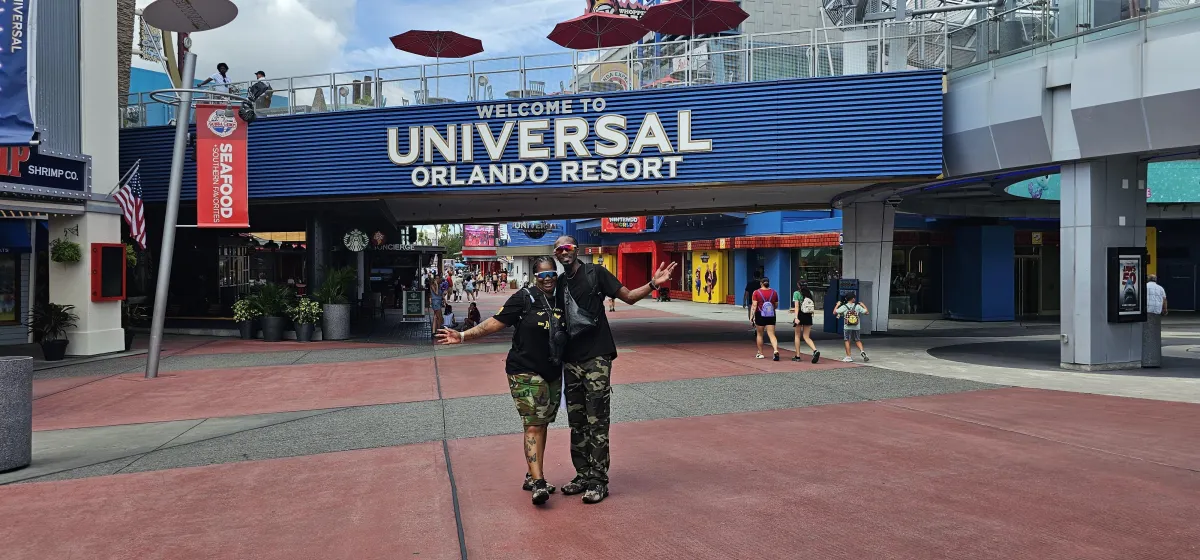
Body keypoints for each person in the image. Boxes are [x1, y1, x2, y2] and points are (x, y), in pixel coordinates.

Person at [553, 235, 676, 504]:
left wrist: (654, 283)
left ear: (577, 250)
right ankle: (582, 474)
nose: (565, 252)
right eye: (560, 249)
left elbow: (629, 297)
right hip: (570, 361)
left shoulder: (595, 273)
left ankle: (598, 480)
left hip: (596, 357)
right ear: (555, 254)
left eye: (569, 248)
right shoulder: (560, 283)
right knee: (576, 421)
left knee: (597, 419)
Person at [436, 257, 566, 506]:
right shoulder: (524, 298)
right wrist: (462, 336)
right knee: (533, 424)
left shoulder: (562, 298)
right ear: (535, 277)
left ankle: (532, 474)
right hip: (524, 370)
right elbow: (494, 324)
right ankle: (538, 483)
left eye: (552, 274)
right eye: (542, 275)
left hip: (552, 370)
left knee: (543, 423)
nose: (548, 279)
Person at [750, 278, 781, 361]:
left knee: (760, 334)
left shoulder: (756, 292)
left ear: (761, 283)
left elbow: (754, 306)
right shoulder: (774, 292)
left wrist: (752, 317)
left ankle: (760, 353)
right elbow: (776, 305)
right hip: (771, 315)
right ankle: (775, 350)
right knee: (772, 334)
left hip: (760, 315)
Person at [835, 293, 869, 363]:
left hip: (847, 327)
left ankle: (848, 357)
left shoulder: (844, 306)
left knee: (847, 340)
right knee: (857, 340)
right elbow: (867, 312)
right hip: (856, 326)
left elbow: (834, 312)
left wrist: (837, 305)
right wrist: (863, 305)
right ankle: (862, 351)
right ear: (853, 299)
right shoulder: (857, 306)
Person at [791, 281, 820, 363]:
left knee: (797, 336)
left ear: (798, 285)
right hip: (808, 315)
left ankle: (797, 356)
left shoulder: (796, 293)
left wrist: (796, 317)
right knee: (806, 336)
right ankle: (815, 350)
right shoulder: (810, 293)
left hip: (800, 315)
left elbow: (796, 306)